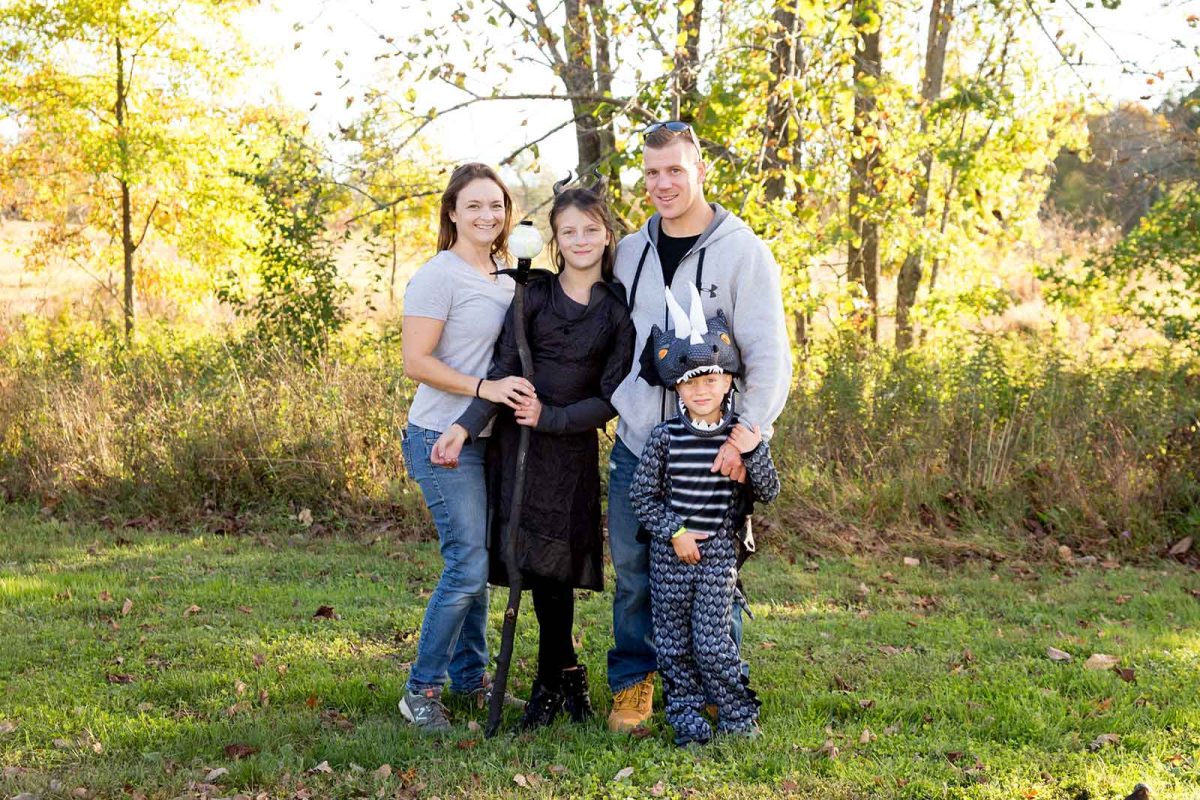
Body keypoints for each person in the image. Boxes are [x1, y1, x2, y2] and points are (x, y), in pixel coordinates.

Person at [605, 121, 792, 732]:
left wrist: (750, 431)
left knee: (716, 570)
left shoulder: (742, 250)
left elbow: (768, 351)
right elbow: (611, 336)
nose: (663, 183)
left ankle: (718, 685)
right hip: (641, 444)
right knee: (636, 574)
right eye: (652, 172)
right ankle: (635, 684)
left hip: (715, 449)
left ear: (700, 169)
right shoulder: (631, 251)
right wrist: (618, 399)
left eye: (675, 170)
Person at [434, 179, 635, 729]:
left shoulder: (616, 311)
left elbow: (612, 396)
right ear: (554, 238)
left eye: (590, 229)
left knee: (556, 568)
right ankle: (560, 676)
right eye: (568, 231)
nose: (580, 239)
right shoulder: (534, 294)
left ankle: (554, 679)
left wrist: (556, 418)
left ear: (606, 234)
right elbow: (502, 371)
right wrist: (462, 425)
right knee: (532, 565)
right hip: (517, 445)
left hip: (568, 448)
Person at [398, 163, 534, 733]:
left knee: (479, 565)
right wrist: (484, 389)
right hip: (439, 437)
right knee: (467, 567)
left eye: (496, 205)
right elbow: (415, 362)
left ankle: (471, 680)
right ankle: (420, 691)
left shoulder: (506, 277)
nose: (487, 215)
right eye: (474, 205)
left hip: (488, 440)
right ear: (452, 211)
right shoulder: (440, 275)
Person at [630, 286, 781, 745]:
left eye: (711, 380)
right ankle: (687, 719)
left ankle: (736, 714)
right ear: (677, 385)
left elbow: (770, 491)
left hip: (717, 550)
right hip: (671, 552)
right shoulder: (664, 437)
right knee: (674, 645)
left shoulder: (740, 436)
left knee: (712, 642)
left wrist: (754, 451)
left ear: (728, 382)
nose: (701, 389)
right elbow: (642, 497)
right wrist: (673, 532)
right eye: (691, 381)